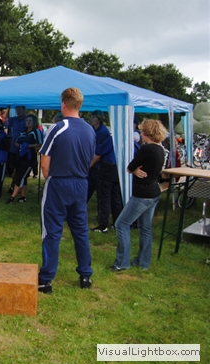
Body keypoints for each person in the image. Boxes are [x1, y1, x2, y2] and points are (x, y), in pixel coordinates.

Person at [38, 88, 96, 294]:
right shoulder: (90, 130)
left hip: (60, 182)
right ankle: (85, 275)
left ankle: (46, 279)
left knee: (52, 231)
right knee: (80, 230)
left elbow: (44, 162)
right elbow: (90, 158)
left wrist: (53, 180)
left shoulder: (58, 128)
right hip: (81, 183)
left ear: (63, 104)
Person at [110, 119, 167, 272]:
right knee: (145, 228)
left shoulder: (146, 149)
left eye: (142, 132)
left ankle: (122, 263)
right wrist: (135, 170)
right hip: (154, 191)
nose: (140, 134)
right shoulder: (160, 149)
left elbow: (130, 167)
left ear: (148, 133)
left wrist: (134, 170)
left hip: (142, 194)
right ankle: (143, 263)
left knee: (121, 224)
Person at [89, 110, 123, 234]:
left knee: (104, 197)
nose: (91, 119)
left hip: (107, 168)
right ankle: (117, 223)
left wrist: (88, 166)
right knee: (115, 197)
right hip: (117, 168)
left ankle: (103, 225)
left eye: (93, 117)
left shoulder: (109, 137)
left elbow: (98, 153)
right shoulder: (125, 139)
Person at [6, 114, 42, 204]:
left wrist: (28, 146)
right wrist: (21, 146)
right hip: (20, 157)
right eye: (27, 120)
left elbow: (40, 143)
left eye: (30, 121)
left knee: (20, 177)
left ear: (34, 122)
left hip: (29, 159)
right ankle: (23, 197)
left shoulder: (36, 131)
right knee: (22, 177)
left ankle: (12, 197)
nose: (28, 122)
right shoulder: (23, 131)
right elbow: (16, 142)